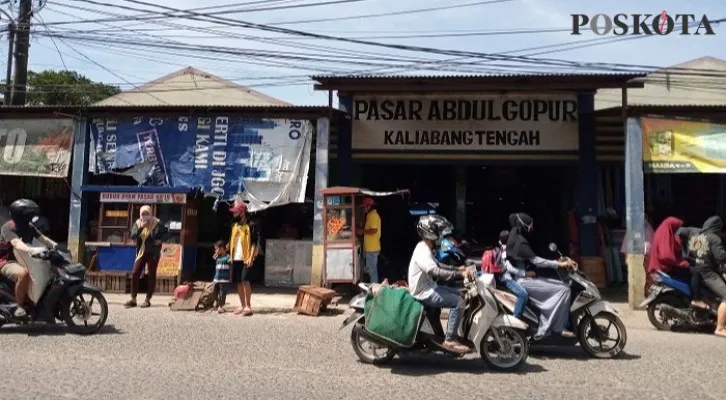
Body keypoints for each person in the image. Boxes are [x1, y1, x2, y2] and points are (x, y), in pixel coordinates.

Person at [408, 214, 474, 354]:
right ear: (430, 233)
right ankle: (450, 339)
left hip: (430, 287)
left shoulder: (426, 247)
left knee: (462, 294)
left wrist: (458, 269)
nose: (441, 236)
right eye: (439, 232)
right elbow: (435, 270)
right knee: (458, 302)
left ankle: (446, 333)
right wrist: (459, 274)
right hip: (423, 292)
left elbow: (438, 264)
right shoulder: (423, 250)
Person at [506, 212, 576, 340]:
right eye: (529, 226)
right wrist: (558, 264)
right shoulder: (520, 242)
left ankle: (554, 323)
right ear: (523, 226)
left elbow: (532, 258)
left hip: (526, 278)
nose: (531, 229)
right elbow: (536, 261)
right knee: (564, 290)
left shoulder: (516, 237)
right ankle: (557, 327)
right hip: (523, 281)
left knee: (563, 285)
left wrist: (559, 261)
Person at [0, 199, 57, 317]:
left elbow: (42, 238)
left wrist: (55, 246)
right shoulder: (8, 227)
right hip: (6, 261)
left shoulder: (28, 226)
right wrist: (30, 250)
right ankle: (19, 307)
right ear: (22, 215)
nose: (32, 217)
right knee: (24, 274)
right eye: (30, 215)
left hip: (23, 259)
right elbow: (16, 243)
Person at [684, 216, 726, 337]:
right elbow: (721, 257)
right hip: (707, 273)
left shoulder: (696, 236)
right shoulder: (714, 238)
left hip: (695, 270)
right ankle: (720, 328)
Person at [125, 205, 167, 308]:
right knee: (135, 273)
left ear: (150, 214)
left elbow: (167, 233)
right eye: (143, 214)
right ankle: (133, 299)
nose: (145, 216)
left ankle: (147, 299)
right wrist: (141, 228)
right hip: (141, 252)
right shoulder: (138, 223)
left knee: (151, 275)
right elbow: (133, 235)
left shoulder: (157, 223)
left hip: (153, 252)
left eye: (147, 214)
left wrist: (160, 240)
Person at [229, 202, 260, 316]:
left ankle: (248, 306)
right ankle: (242, 305)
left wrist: (251, 257)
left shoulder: (251, 225)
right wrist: (230, 255)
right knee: (238, 282)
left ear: (242, 212)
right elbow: (231, 241)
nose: (234, 214)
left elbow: (254, 243)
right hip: (235, 257)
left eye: (236, 212)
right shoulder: (234, 225)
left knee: (245, 280)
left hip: (246, 257)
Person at [497, 230, 530, 319]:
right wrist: (525, 273)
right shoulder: (505, 251)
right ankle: (516, 317)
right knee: (523, 294)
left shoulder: (505, 248)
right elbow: (509, 268)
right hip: (506, 279)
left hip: (511, 276)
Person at [648, 217, 691, 282]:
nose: (677, 230)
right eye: (676, 227)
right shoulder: (665, 234)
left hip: (659, 269)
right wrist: (683, 263)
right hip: (660, 270)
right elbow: (665, 256)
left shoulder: (664, 232)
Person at [360, 197, 381, 283]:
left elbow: (374, 230)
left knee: (372, 272)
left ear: (369, 207)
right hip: (369, 248)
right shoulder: (369, 215)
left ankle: (375, 290)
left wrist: (362, 231)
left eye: (364, 207)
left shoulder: (374, 216)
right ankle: (371, 288)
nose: (363, 209)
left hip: (372, 249)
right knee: (369, 270)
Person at [212, 240, 231, 314]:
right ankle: (216, 301)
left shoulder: (228, 257)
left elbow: (231, 261)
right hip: (216, 279)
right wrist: (216, 252)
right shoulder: (216, 257)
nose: (215, 250)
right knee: (214, 291)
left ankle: (220, 306)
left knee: (222, 293)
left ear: (222, 249)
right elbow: (213, 256)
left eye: (216, 249)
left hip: (225, 280)